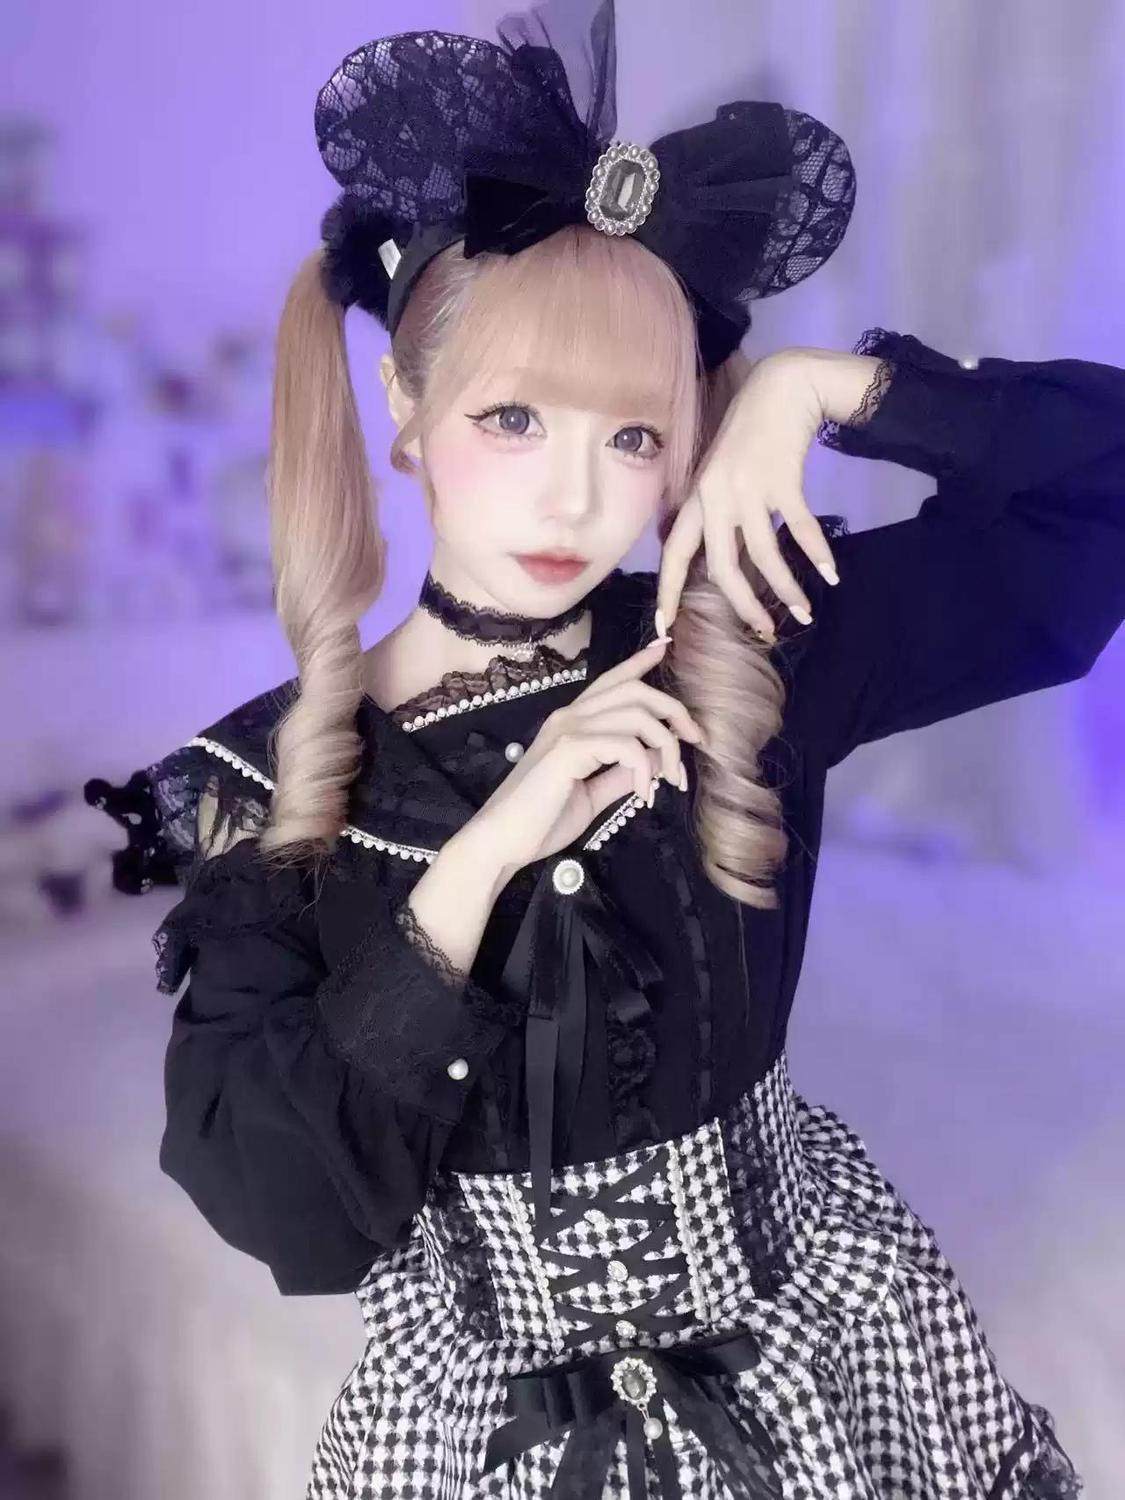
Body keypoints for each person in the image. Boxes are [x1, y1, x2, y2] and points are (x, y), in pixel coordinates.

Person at [84, 2, 1123, 1495]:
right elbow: (283, 1208)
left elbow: (1096, 512)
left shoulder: (751, 635)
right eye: (514, 418)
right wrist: (483, 858)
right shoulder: (262, 792)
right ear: (405, 405)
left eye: (634, 435)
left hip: (831, 1362)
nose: (576, 500)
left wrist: (825, 391)